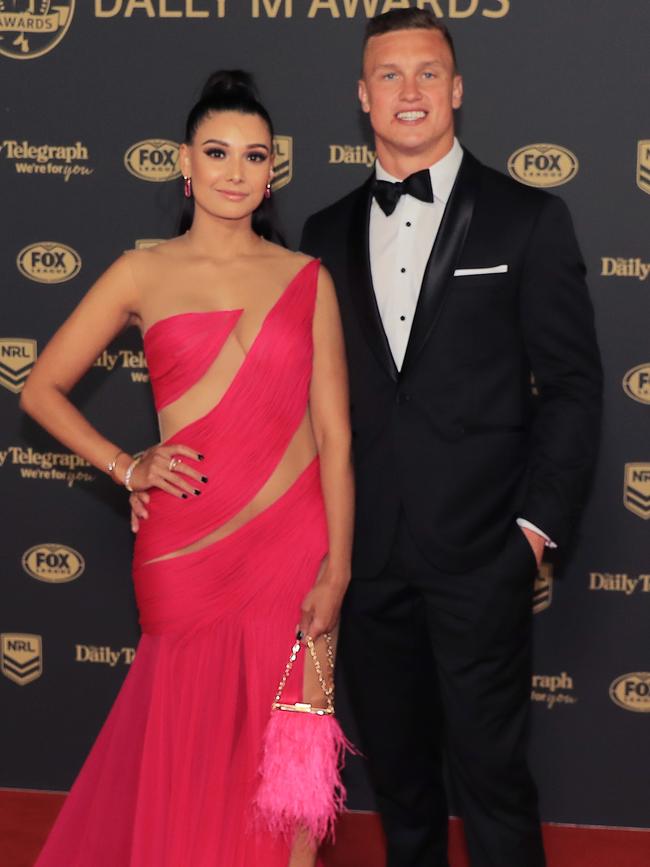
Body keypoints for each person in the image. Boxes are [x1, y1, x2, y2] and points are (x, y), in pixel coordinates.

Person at [21, 70, 353, 867]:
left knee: (294, 752)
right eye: (217, 152)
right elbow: (40, 387)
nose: (236, 172)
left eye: (254, 156)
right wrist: (124, 464)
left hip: (294, 546)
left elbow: (337, 437)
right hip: (184, 548)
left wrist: (338, 568)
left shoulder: (306, 277)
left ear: (273, 170)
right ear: (184, 163)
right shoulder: (143, 272)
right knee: (190, 740)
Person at [299, 9, 602, 867]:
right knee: (401, 789)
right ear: (362, 96)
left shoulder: (528, 220)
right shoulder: (321, 235)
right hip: (368, 564)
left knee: (496, 785)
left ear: (458, 90)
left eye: (428, 73)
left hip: (483, 560)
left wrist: (532, 533)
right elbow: (304, 405)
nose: (409, 92)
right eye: (389, 75)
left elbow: (575, 388)